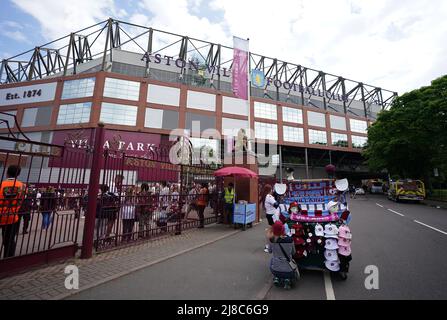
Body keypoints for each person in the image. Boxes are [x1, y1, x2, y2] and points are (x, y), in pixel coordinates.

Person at [0, 165, 26, 258]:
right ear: (18, 174)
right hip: (13, 215)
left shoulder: (1, 184)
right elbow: (21, 200)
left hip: (1, 213)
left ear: (7, 173)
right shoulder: (22, 186)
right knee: (9, 240)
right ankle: (8, 259)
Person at [268, 221, 297, 289]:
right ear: (283, 229)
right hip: (289, 270)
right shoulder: (290, 240)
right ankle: (287, 280)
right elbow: (293, 252)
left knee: (272, 260)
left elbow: (269, 251)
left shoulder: (272, 240)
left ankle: (277, 277)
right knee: (289, 262)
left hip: (275, 270)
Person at [261, 184, 280, 253]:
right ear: (270, 190)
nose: (272, 191)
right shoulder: (269, 197)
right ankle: (268, 246)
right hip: (272, 216)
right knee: (272, 231)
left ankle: (269, 245)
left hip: (269, 215)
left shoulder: (265, 196)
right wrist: (279, 200)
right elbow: (276, 204)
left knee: (271, 230)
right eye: (271, 189)